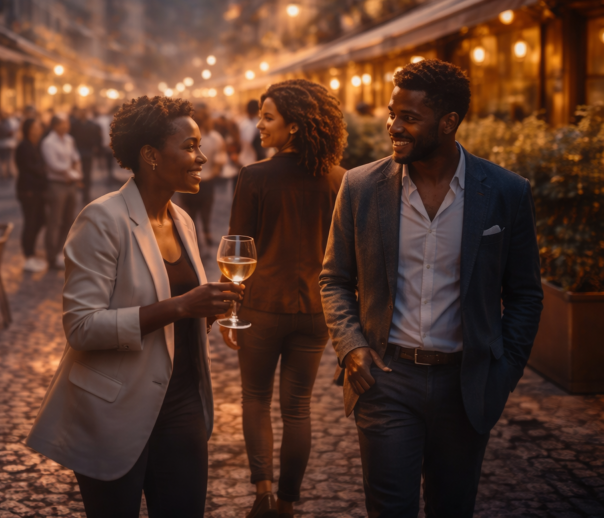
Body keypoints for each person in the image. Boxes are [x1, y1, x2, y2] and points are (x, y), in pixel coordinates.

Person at [320, 60, 543, 517]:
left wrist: (503, 373)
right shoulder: (360, 187)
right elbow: (335, 279)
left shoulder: (505, 191)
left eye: (409, 117)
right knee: (390, 510)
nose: (393, 126)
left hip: (466, 385)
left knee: (452, 507)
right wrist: (351, 346)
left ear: (448, 122)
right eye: (391, 113)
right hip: (386, 378)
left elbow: (525, 294)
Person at [27, 96, 244, 518]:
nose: (201, 157)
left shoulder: (181, 219)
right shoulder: (101, 219)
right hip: (114, 408)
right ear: (150, 156)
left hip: (182, 404)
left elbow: (179, 311)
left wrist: (209, 309)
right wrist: (180, 307)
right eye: (190, 146)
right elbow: (82, 327)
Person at [222, 80, 347, 518]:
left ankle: (263, 495)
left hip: (262, 307)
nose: (259, 124)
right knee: (298, 408)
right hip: (315, 311)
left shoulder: (255, 176)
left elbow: (238, 249)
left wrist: (230, 310)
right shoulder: (339, 179)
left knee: (255, 398)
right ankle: (288, 505)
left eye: (268, 116)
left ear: (293, 126)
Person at [177, 107, 226, 247]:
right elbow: (219, 162)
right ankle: (207, 232)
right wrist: (211, 173)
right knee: (206, 209)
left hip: (186, 180)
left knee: (189, 212)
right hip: (206, 181)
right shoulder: (215, 137)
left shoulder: (182, 137)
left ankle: (194, 238)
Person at [41, 114, 82, 269]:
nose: (65, 126)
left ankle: (61, 251)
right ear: (54, 126)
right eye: (61, 124)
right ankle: (51, 255)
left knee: (69, 219)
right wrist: (71, 172)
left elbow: (75, 157)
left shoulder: (69, 140)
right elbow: (54, 165)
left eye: (66, 123)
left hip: (71, 183)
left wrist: (76, 172)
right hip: (57, 184)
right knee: (55, 220)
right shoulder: (48, 142)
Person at [16, 117, 48, 273]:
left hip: (38, 190)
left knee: (40, 220)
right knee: (30, 222)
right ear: (29, 129)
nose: (39, 129)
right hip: (28, 190)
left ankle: (31, 252)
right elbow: (29, 168)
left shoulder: (37, 145)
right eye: (36, 127)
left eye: (39, 127)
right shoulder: (24, 146)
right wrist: (45, 171)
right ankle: (28, 256)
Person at [71, 107, 103, 203]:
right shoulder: (74, 125)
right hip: (77, 153)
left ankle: (86, 195)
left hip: (88, 153)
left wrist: (96, 148)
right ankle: (78, 193)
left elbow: (97, 138)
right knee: (78, 174)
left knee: (87, 175)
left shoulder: (92, 125)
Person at [0, 110, 19, 179]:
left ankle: (7, 172)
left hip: (7, 143)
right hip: (3, 144)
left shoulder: (9, 122)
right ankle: (5, 173)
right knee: (5, 159)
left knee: (7, 159)